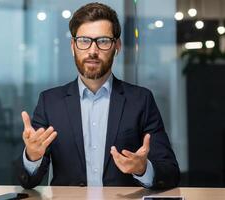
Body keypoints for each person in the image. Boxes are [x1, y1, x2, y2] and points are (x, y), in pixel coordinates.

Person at [14, 2, 180, 189]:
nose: (92, 51)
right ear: (73, 46)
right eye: (84, 40)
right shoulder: (50, 102)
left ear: (117, 46)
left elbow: (170, 173)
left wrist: (143, 169)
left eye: (103, 41)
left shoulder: (141, 100)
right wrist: (32, 156)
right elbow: (27, 181)